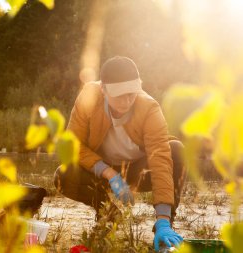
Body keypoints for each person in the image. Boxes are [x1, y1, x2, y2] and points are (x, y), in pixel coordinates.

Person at [54, 56, 187, 251]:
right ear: (103, 90)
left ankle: (165, 229)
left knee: (176, 151)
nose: (126, 101)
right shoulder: (89, 97)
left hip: (138, 171)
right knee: (63, 175)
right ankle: (108, 215)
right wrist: (109, 174)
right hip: (102, 171)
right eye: (119, 95)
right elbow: (72, 145)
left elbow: (160, 162)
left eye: (131, 94)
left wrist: (163, 219)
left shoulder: (150, 108)